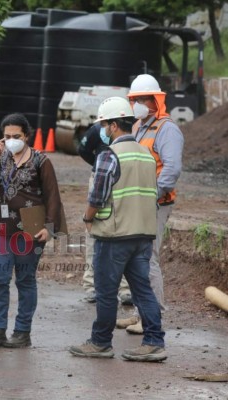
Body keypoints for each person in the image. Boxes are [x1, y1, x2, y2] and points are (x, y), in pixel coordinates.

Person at [69, 97, 166, 362]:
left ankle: (101, 342)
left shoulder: (109, 155)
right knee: (142, 289)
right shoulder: (146, 154)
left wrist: (87, 218)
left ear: (113, 125)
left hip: (113, 235)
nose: (102, 129)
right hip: (142, 235)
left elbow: (97, 196)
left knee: (106, 291)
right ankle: (154, 342)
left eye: (104, 124)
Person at [0, 113, 62, 348]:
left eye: (16, 136)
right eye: (7, 136)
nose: (11, 140)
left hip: (31, 231)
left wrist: (49, 227)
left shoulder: (40, 161)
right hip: (2, 230)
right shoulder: (1, 157)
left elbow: (53, 196)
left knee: (25, 280)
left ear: (26, 136)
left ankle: (22, 332)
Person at [116, 74, 184, 335]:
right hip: (138, 203)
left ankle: (152, 317)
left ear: (156, 100)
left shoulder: (167, 129)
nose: (138, 103)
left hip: (156, 204)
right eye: (135, 99)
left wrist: (151, 196)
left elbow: (171, 169)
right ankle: (140, 313)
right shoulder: (137, 127)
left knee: (149, 258)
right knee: (135, 258)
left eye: (143, 99)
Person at [78, 123, 132, 306]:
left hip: (125, 179)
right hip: (101, 177)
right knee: (93, 232)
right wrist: (99, 165)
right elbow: (83, 149)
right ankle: (91, 285)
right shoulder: (97, 130)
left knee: (125, 232)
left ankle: (125, 289)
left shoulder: (133, 129)